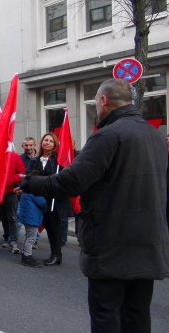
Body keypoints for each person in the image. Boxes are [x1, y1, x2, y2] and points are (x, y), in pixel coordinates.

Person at [19, 78, 169, 332]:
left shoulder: (108, 135)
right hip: (149, 240)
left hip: (112, 241)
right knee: (137, 314)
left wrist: (30, 182)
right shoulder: (155, 136)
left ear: (103, 100)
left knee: (106, 314)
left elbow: (71, 181)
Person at [22, 132, 73, 266]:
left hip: (53, 200)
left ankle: (56, 255)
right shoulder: (35, 160)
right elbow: (26, 176)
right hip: (38, 199)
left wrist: (40, 181)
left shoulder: (58, 161)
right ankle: (28, 253)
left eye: (51, 141)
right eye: (46, 140)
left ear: (55, 144)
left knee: (53, 228)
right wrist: (23, 186)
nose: (47, 143)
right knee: (36, 226)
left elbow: (63, 179)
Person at [0, 144, 25, 254]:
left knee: (12, 217)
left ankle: (13, 241)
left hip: (10, 192)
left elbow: (21, 171)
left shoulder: (15, 157)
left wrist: (12, 180)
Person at [16, 170, 46, 268]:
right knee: (31, 238)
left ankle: (25, 254)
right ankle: (27, 256)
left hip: (27, 217)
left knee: (27, 236)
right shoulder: (35, 192)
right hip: (32, 218)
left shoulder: (25, 191)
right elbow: (42, 203)